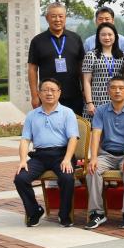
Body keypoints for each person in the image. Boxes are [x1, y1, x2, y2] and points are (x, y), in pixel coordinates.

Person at [13, 78, 80, 227]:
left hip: (61, 155)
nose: (49, 93)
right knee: (20, 178)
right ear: (39, 93)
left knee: (67, 178)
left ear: (59, 93)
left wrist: (67, 159)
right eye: (45, 90)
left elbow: (73, 138)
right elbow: (25, 140)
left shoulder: (67, 113)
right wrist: (22, 160)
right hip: (39, 156)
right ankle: (35, 211)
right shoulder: (32, 115)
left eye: (53, 90)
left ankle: (64, 215)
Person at [84, 76, 124, 230]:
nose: (117, 91)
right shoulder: (101, 111)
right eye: (113, 88)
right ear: (108, 91)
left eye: (121, 88)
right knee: (92, 170)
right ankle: (97, 213)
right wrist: (93, 158)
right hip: (106, 155)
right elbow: (96, 134)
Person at [28, 2, 85, 114]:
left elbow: (82, 66)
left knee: (74, 124)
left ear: (65, 18)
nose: (57, 19)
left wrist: (84, 90)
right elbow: (32, 69)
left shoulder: (75, 38)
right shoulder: (37, 41)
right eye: (53, 16)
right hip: (48, 96)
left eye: (60, 16)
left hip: (74, 95)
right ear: (47, 18)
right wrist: (34, 96)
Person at [81, 22, 124, 117]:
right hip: (97, 100)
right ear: (98, 37)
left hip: (117, 99)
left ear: (115, 36)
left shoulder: (122, 56)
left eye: (110, 34)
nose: (107, 37)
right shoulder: (91, 55)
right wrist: (89, 102)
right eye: (103, 35)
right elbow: (86, 81)